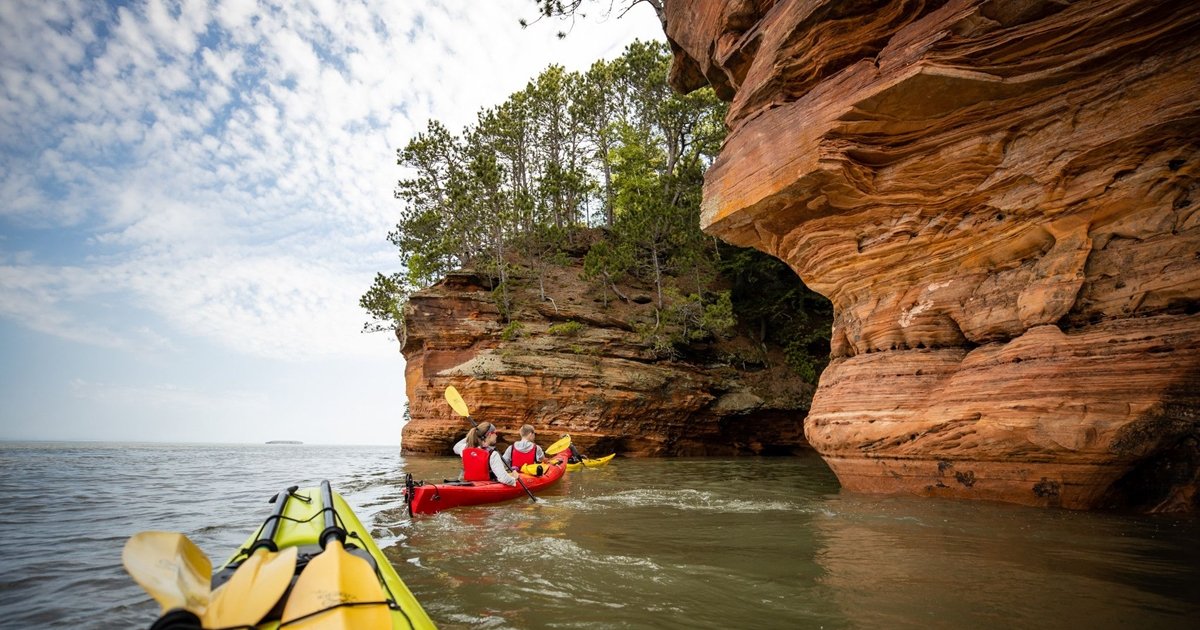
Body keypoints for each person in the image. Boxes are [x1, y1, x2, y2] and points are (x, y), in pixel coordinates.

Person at [452, 421, 519, 486]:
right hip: (486, 486)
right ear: (490, 434)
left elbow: (455, 447)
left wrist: (475, 434)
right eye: (495, 433)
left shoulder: (465, 449)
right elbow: (503, 479)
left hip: (469, 484)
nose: (496, 436)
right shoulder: (493, 454)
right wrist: (514, 479)